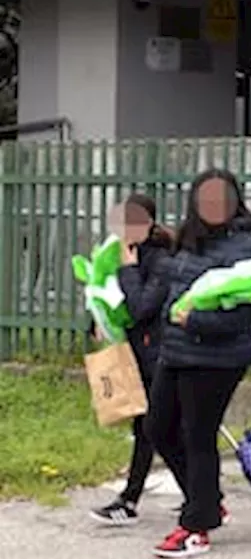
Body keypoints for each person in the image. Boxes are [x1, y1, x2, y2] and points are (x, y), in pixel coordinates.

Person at [145, 169, 251, 558]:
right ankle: (207, 501)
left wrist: (194, 321)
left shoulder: (244, 247)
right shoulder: (189, 240)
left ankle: (196, 527)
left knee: (199, 436)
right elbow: (173, 285)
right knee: (158, 428)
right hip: (176, 351)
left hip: (219, 357)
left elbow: (247, 313)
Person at [89, 194, 174, 526]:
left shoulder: (160, 258)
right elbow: (104, 291)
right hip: (134, 354)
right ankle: (201, 499)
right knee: (153, 427)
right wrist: (97, 320)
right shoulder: (119, 253)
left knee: (155, 427)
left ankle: (131, 499)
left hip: (159, 353)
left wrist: (128, 269)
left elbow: (141, 307)